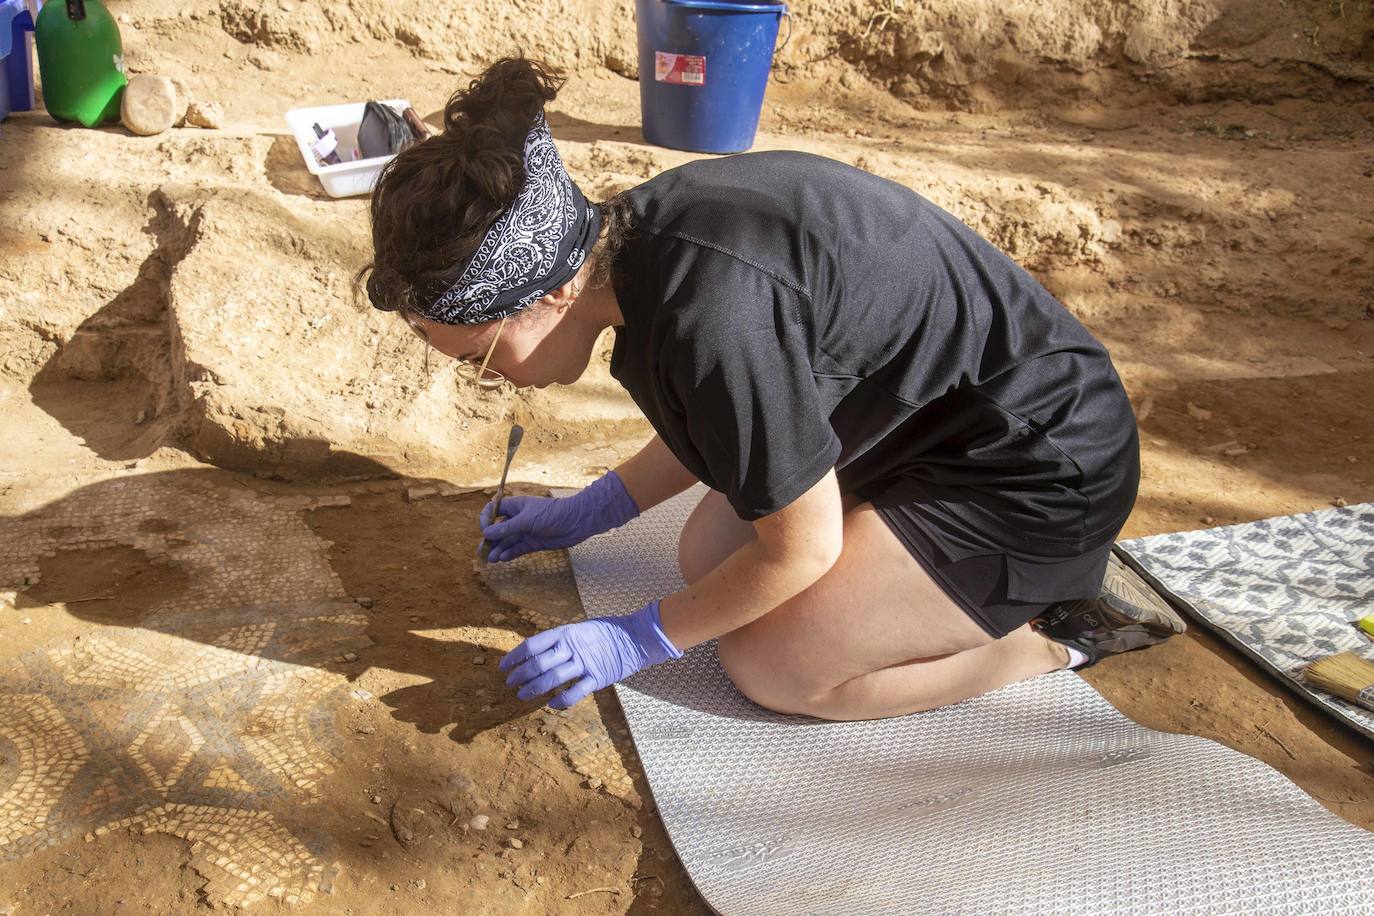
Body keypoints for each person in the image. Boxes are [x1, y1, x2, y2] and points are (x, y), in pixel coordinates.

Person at [360, 58, 1185, 721]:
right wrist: (596, 509)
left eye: (481, 353)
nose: (490, 377)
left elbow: (803, 547)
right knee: (709, 555)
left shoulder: (708, 314)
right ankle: (944, 589)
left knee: (778, 665)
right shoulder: (643, 244)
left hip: (1040, 471)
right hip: (924, 427)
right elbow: (727, 419)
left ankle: (1050, 638)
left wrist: (634, 640)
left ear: (549, 295)